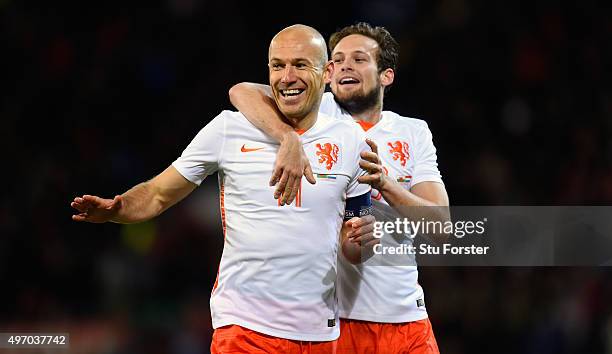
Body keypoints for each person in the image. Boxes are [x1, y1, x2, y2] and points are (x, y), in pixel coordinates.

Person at [71, 24, 379, 354]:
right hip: (244, 330)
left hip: (322, 333)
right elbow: (158, 193)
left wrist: (362, 242)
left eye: (301, 65)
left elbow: (355, 240)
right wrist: (117, 209)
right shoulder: (229, 129)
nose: (287, 77)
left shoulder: (351, 142)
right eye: (278, 65)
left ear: (327, 71)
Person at [229, 22, 449, 353]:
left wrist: (384, 183)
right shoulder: (314, 112)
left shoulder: (413, 131)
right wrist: (286, 135)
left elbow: (440, 227)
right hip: (335, 322)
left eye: (359, 59)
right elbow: (240, 92)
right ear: (328, 74)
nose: (346, 65)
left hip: (407, 319)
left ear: (385, 75)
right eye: (339, 60)